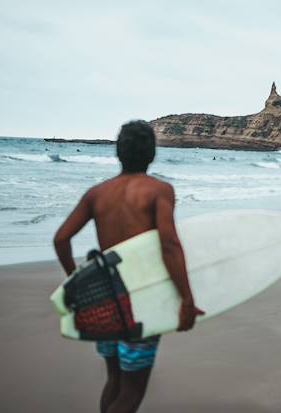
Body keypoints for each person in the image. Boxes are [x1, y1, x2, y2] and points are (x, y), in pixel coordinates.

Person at [53, 120, 204, 413]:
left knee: (114, 380)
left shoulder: (97, 193)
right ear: (151, 154)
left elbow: (61, 239)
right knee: (132, 393)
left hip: (105, 299)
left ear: (118, 152)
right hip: (140, 300)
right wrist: (186, 299)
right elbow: (169, 245)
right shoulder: (159, 190)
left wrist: (75, 280)